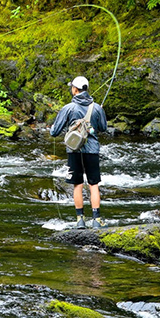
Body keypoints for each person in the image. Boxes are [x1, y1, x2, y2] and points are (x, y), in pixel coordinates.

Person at [49, 76, 108, 229]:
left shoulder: (68, 108)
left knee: (78, 184)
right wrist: (99, 113)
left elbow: (54, 132)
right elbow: (103, 128)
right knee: (93, 184)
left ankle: (80, 220)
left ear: (75, 89)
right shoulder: (96, 108)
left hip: (74, 150)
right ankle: (96, 219)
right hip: (92, 150)